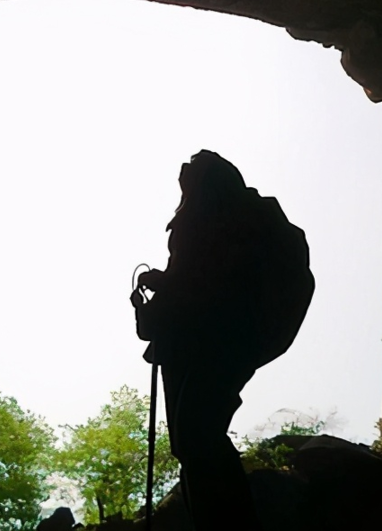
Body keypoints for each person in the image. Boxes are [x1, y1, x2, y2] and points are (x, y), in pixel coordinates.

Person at [131, 151, 314, 531]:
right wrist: (162, 292)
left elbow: (211, 276)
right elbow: (194, 277)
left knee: (197, 432)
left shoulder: (228, 217)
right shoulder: (206, 219)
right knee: (189, 440)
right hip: (193, 341)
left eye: (194, 166)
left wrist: (167, 290)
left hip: (219, 338)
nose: (185, 168)